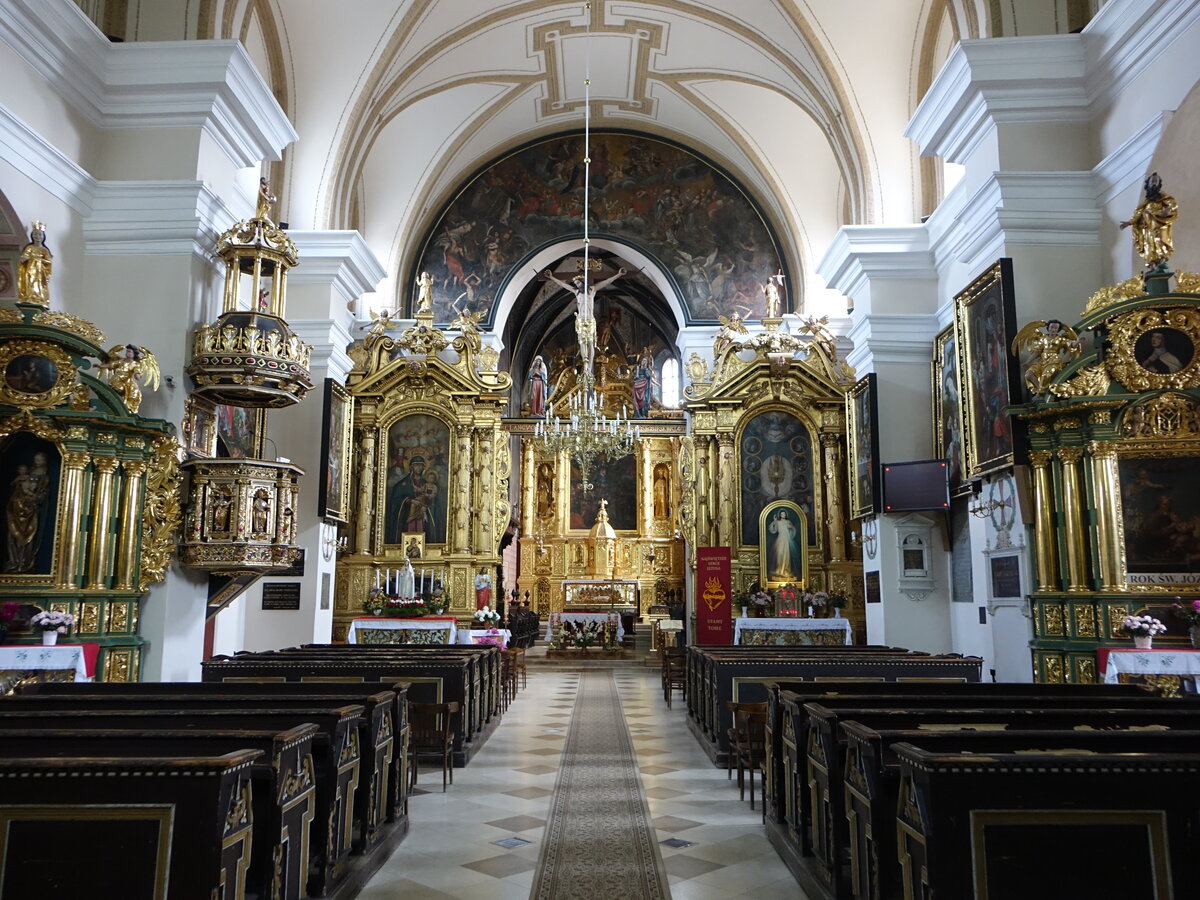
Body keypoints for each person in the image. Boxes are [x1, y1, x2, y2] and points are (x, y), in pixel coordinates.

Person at [543, 266, 626, 372]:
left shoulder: (592, 290)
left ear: (583, 282)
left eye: (578, 283)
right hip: (581, 321)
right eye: (576, 284)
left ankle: (590, 365)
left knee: (591, 342)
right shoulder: (577, 292)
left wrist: (618, 275)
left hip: (590, 320)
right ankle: (586, 363)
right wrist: (552, 277)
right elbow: (563, 285)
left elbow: (606, 282)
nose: (577, 285)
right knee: (582, 343)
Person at [1120, 172, 1178, 271]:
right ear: (1148, 184)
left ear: (1159, 184)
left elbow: (1171, 204)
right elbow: (1138, 215)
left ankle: (1161, 261)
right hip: (1147, 228)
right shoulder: (1146, 203)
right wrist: (1129, 223)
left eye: (1156, 181)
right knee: (1150, 245)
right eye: (1152, 181)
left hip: (1159, 225)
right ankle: (1152, 264)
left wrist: (1167, 210)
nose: (1154, 183)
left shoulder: (1163, 197)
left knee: (1159, 242)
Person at [17, 221, 52, 306]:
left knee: (38, 284)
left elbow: (49, 261)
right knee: (30, 282)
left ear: (43, 237)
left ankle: (39, 298)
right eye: (35, 234)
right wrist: (24, 259)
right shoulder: (29, 247)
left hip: (40, 272)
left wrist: (40, 260)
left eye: (40, 234)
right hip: (30, 270)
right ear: (32, 236)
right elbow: (24, 257)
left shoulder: (44, 250)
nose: (37, 236)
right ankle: (29, 297)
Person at [768, 508, 799, 580]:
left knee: (786, 555)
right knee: (780, 554)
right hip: (780, 539)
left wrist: (791, 528)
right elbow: (774, 530)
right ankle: (779, 570)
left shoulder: (788, 521)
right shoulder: (778, 522)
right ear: (780, 515)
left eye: (784, 514)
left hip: (786, 540)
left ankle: (786, 571)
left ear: (786, 515)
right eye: (782, 514)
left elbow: (793, 530)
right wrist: (775, 521)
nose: (783, 515)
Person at [632, 347, 655, 417]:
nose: (644, 362)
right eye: (643, 361)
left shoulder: (647, 370)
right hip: (636, 385)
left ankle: (642, 412)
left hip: (644, 385)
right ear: (640, 361)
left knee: (644, 399)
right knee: (635, 399)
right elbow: (633, 376)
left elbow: (649, 377)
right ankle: (637, 413)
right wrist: (635, 374)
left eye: (645, 361)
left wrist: (647, 372)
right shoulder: (637, 368)